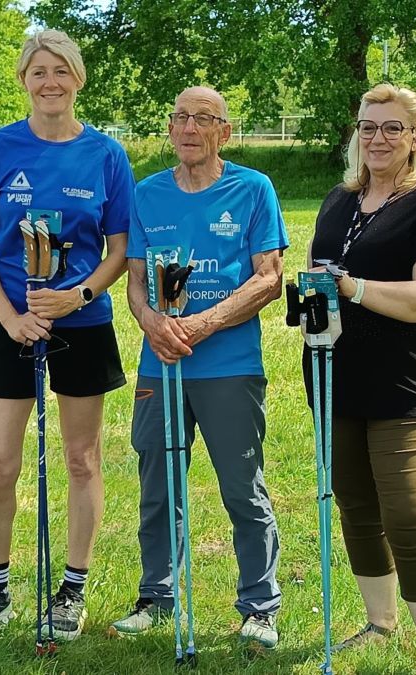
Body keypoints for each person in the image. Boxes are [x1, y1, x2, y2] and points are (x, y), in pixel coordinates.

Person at [0, 29, 134, 643]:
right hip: (11, 324)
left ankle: (72, 590)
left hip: (84, 323)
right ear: (24, 80)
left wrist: (78, 296)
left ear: (78, 78)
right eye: (39, 71)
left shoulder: (107, 154)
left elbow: (119, 251)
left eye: (61, 70)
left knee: (82, 458)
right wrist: (10, 316)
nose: (51, 82)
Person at [111, 86, 287, 650]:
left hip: (230, 367)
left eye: (204, 119)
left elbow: (269, 279)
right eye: (181, 117)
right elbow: (136, 283)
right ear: (170, 128)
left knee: (242, 488)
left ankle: (259, 606)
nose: (189, 128)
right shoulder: (147, 194)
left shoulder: (253, 189)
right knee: (158, 487)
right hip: (160, 364)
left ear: (224, 132)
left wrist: (201, 325)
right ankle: (156, 596)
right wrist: (151, 323)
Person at [303, 83, 416, 675]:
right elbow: (322, 274)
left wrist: (353, 288)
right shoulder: (338, 201)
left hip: (405, 384)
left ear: (415, 138)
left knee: (412, 515)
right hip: (335, 379)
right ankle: (379, 623)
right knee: (356, 505)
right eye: (368, 126)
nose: (378, 138)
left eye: (392, 127)